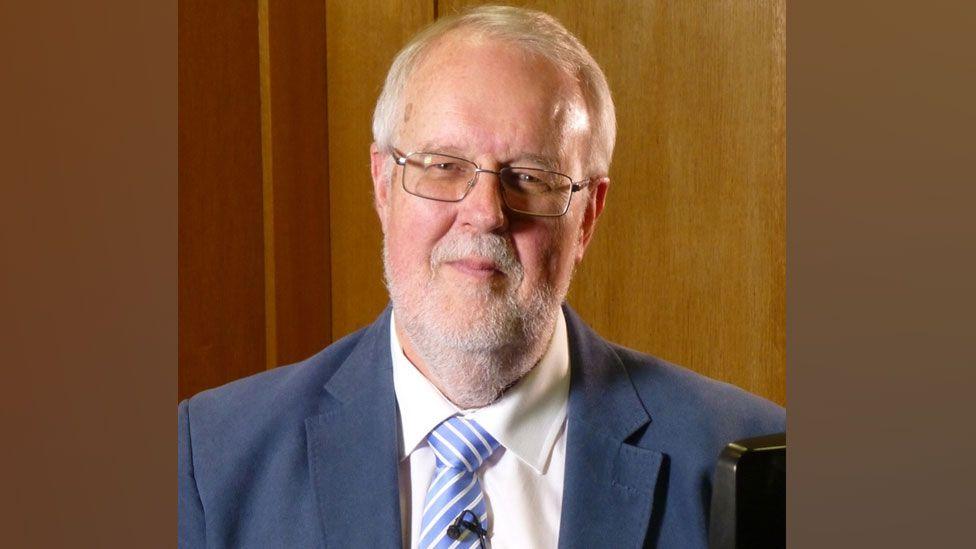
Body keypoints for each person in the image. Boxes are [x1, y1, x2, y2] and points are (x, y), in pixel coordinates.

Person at [178, 5, 784, 548]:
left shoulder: (750, 460)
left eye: (530, 176)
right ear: (383, 185)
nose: (486, 213)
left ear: (589, 216)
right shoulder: (212, 460)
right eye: (444, 166)